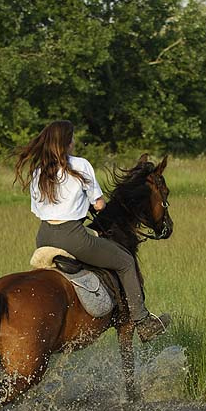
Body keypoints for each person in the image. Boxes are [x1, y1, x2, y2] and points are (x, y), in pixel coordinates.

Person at [14, 120, 170, 340]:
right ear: (67, 142)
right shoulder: (80, 165)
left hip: (44, 236)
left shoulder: (39, 172)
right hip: (73, 237)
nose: (75, 142)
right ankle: (143, 321)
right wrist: (88, 205)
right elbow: (98, 205)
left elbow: (39, 210)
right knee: (125, 262)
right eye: (73, 138)